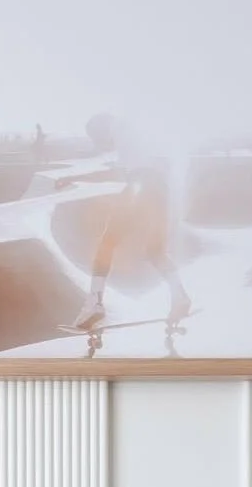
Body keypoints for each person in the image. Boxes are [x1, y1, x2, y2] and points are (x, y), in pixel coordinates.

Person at [54, 113, 191, 332]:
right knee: (155, 251)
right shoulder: (141, 135)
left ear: (102, 128)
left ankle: (94, 305)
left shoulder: (122, 130)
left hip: (142, 187)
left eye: (97, 138)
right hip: (163, 192)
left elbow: (118, 173)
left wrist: (72, 179)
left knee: (107, 243)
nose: (101, 144)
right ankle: (180, 297)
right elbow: (127, 171)